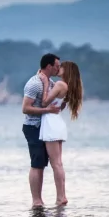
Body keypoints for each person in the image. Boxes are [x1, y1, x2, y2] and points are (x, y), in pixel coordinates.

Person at [36, 61, 84, 206]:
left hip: (51, 124)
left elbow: (44, 103)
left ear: (66, 70)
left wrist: (44, 82)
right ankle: (61, 196)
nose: (58, 68)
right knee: (58, 163)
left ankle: (61, 197)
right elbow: (60, 106)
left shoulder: (60, 85)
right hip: (57, 122)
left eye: (61, 67)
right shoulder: (68, 86)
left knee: (56, 164)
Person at [21, 53, 62, 208]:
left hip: (46, 128)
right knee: (37, 163)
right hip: (33, 127)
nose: (59, 68)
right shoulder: (34, 83)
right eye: (57, 65)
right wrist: (47, 110)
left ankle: (42, 200)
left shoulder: (51, 83)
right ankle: (36, 201)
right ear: (49, 66)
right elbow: (25, 108)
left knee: (46, 163)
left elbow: (50, 104)